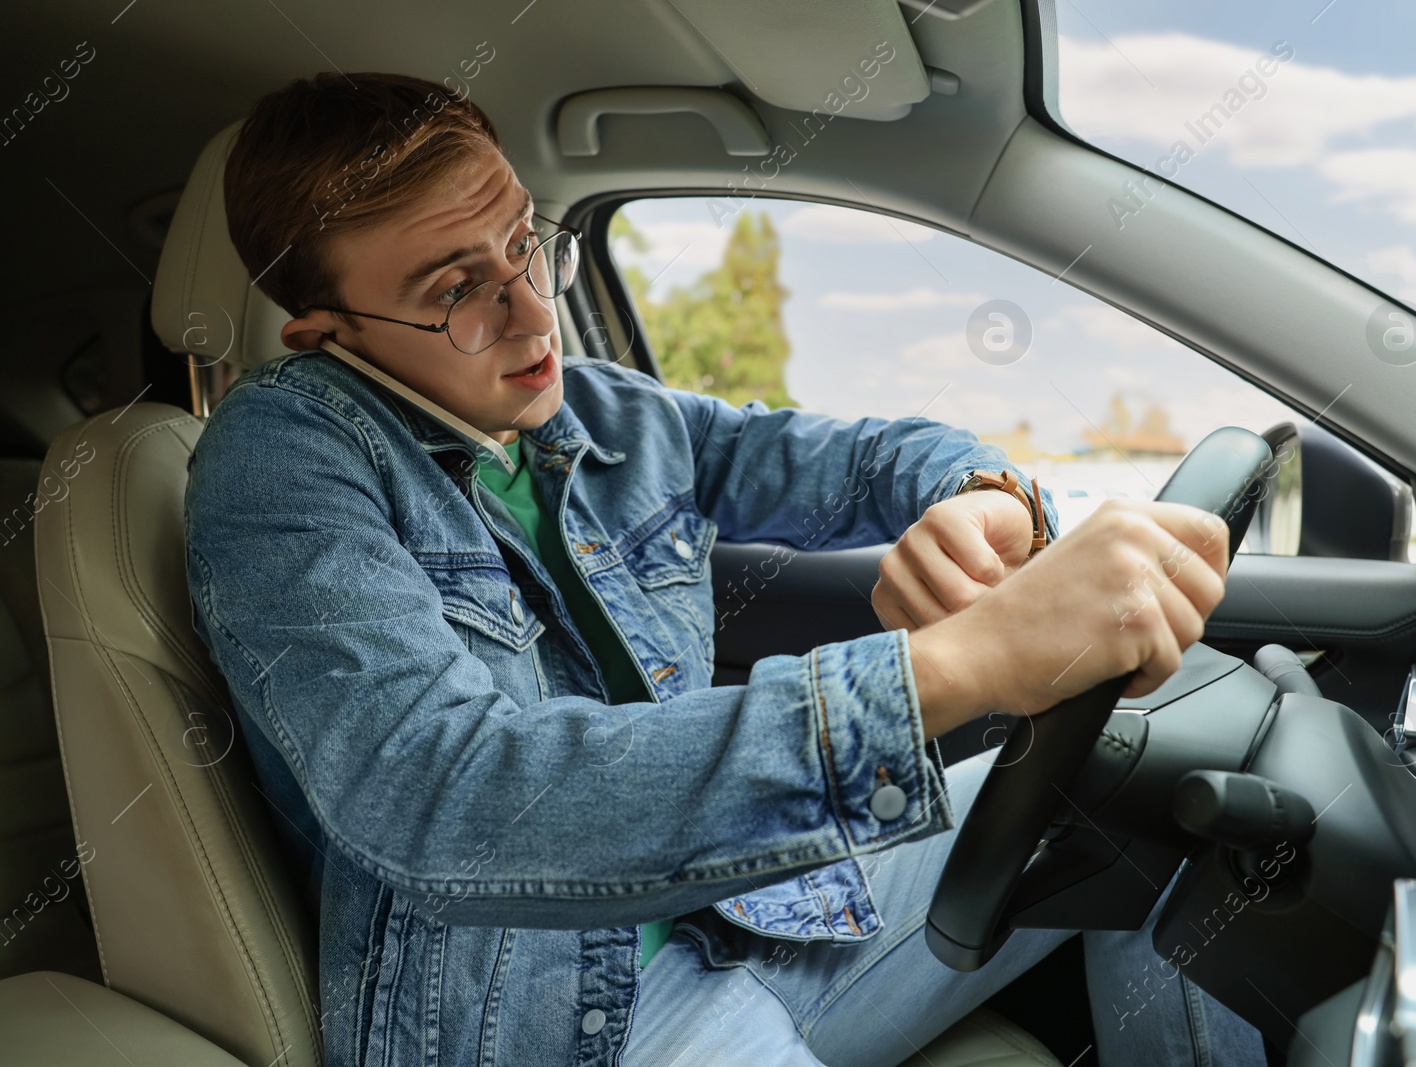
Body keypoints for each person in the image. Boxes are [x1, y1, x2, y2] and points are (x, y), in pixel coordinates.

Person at [184, 71, 1266, 1067]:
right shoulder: (282, 456)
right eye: (457, 289)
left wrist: (983, 497)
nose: (527, 307)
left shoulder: (601, 410)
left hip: (753, 907)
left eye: (524, 243)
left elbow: (864, 458)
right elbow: (443, 793)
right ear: (325, 332)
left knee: (1157, 797)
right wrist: (959, 665)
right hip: (543, 1024)